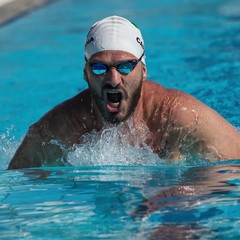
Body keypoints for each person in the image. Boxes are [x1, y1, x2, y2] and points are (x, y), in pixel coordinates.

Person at [8, 16, 240, 169]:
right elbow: (17, 191)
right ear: (85, 73)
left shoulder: (183, 118)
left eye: (126, 66)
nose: (113, 79)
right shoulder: (57, 129)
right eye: (99, 67)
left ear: (144, 71)